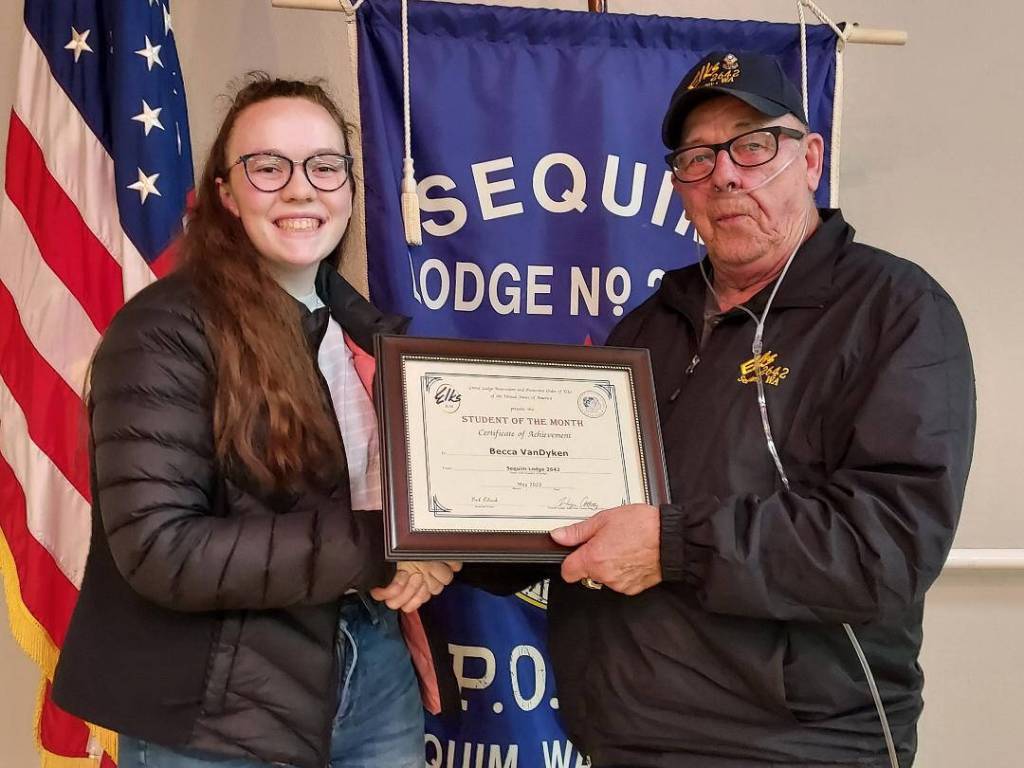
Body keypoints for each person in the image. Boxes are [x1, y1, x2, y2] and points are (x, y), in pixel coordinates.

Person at [482, 52, 975, 767]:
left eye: (752, 145)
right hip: (620, 736)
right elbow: (575, 509)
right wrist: (440, 547)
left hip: (792, 746)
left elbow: (887, 546)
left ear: (809, 158)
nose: (725, 175)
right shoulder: (649, 326)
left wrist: (674, 545)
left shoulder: (895, 311)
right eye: (697, 158)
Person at [52, 73, 459, 768]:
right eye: (268, 167)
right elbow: (161, 549)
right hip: (220, 710)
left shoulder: (372, 337)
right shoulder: (161, 333)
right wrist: (390, 545)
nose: (302, 188)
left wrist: (451, 540)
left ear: (351, 188)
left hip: (373, 667)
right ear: (225, 195)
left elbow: (426, 506)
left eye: (326, 166)